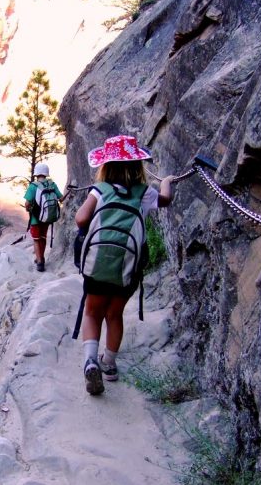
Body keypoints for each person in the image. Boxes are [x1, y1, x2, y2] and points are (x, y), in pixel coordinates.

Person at [74, 135, 175, 395]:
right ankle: (109, 363)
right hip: (127, 268)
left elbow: (81, 219)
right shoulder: (145, 193)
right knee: (114, 314)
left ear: (105, 166)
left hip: (97, 264)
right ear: (138, 165)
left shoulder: (101, 190)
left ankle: (89, 361)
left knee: (92, 312)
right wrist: (166, 183)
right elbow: (165, 200)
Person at [24, 163, 66, 272]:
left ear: (36, 174)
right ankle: (41, 257)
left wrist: (28, 209)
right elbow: (61, 198)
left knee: (36, 240)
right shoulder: (52, 184)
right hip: (47, 217)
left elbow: (27, 203)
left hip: (36, 218)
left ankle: (39, 262)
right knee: (43, 238)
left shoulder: (33, 186)